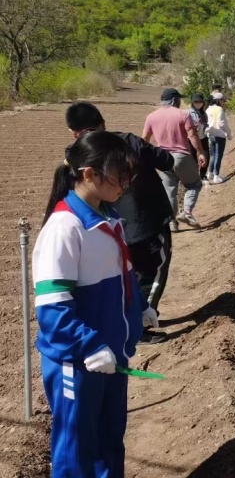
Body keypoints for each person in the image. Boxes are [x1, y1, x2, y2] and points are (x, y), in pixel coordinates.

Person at [34, 131, 154, 478]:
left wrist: (138, 309)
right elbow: (52, 308)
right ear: (88, 174)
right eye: (119, 175)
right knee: (76, 445)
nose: (125, 183)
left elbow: (122, 278)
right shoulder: (64, 228)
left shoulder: (106, 218)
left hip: (111, 358)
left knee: (109, 437)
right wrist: (88, 346)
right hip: (78, 361)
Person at [65, 103, 174, 338]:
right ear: (102, 123)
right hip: (144, 223)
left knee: (122, 275)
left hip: (107, 228)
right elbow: (166, 160)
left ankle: (124, 321)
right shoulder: (128, 141)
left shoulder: (73, 154)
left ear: (74, 132)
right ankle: (140, 326)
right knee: (153, 271)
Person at [142, 88, 207, 230]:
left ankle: (172, 223)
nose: (179, 102)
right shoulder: (183, 115)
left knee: (169, 191)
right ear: (174, 100)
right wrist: (200, 152)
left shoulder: (151, 117)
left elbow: (145, 140)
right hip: (181, 156)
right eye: (178, 99)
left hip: (162, 158)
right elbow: (193, 136)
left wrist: (148, 158)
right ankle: (187, 212)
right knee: (194, 184)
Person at [205, 90, 233, 184]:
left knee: (212, 155)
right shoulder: (219, 109)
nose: (224, 103)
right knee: (218, 155)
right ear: (219, 100)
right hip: (219, 135)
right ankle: (216, 176)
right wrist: (229, 134)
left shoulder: (208, 109)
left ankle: (210, 173)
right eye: (223, 101)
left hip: (211, 134)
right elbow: (222, 124)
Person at [188, 93, 209, 182]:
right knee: (193, 158)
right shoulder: (188, 113)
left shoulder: (204, 113)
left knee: (206, 156)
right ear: (193, 103)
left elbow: (205, 124)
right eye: (196, 101)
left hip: (203, 137)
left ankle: (203, 175)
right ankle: (194, 177)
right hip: (192, 138)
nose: (198, 103)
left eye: (200, 101)